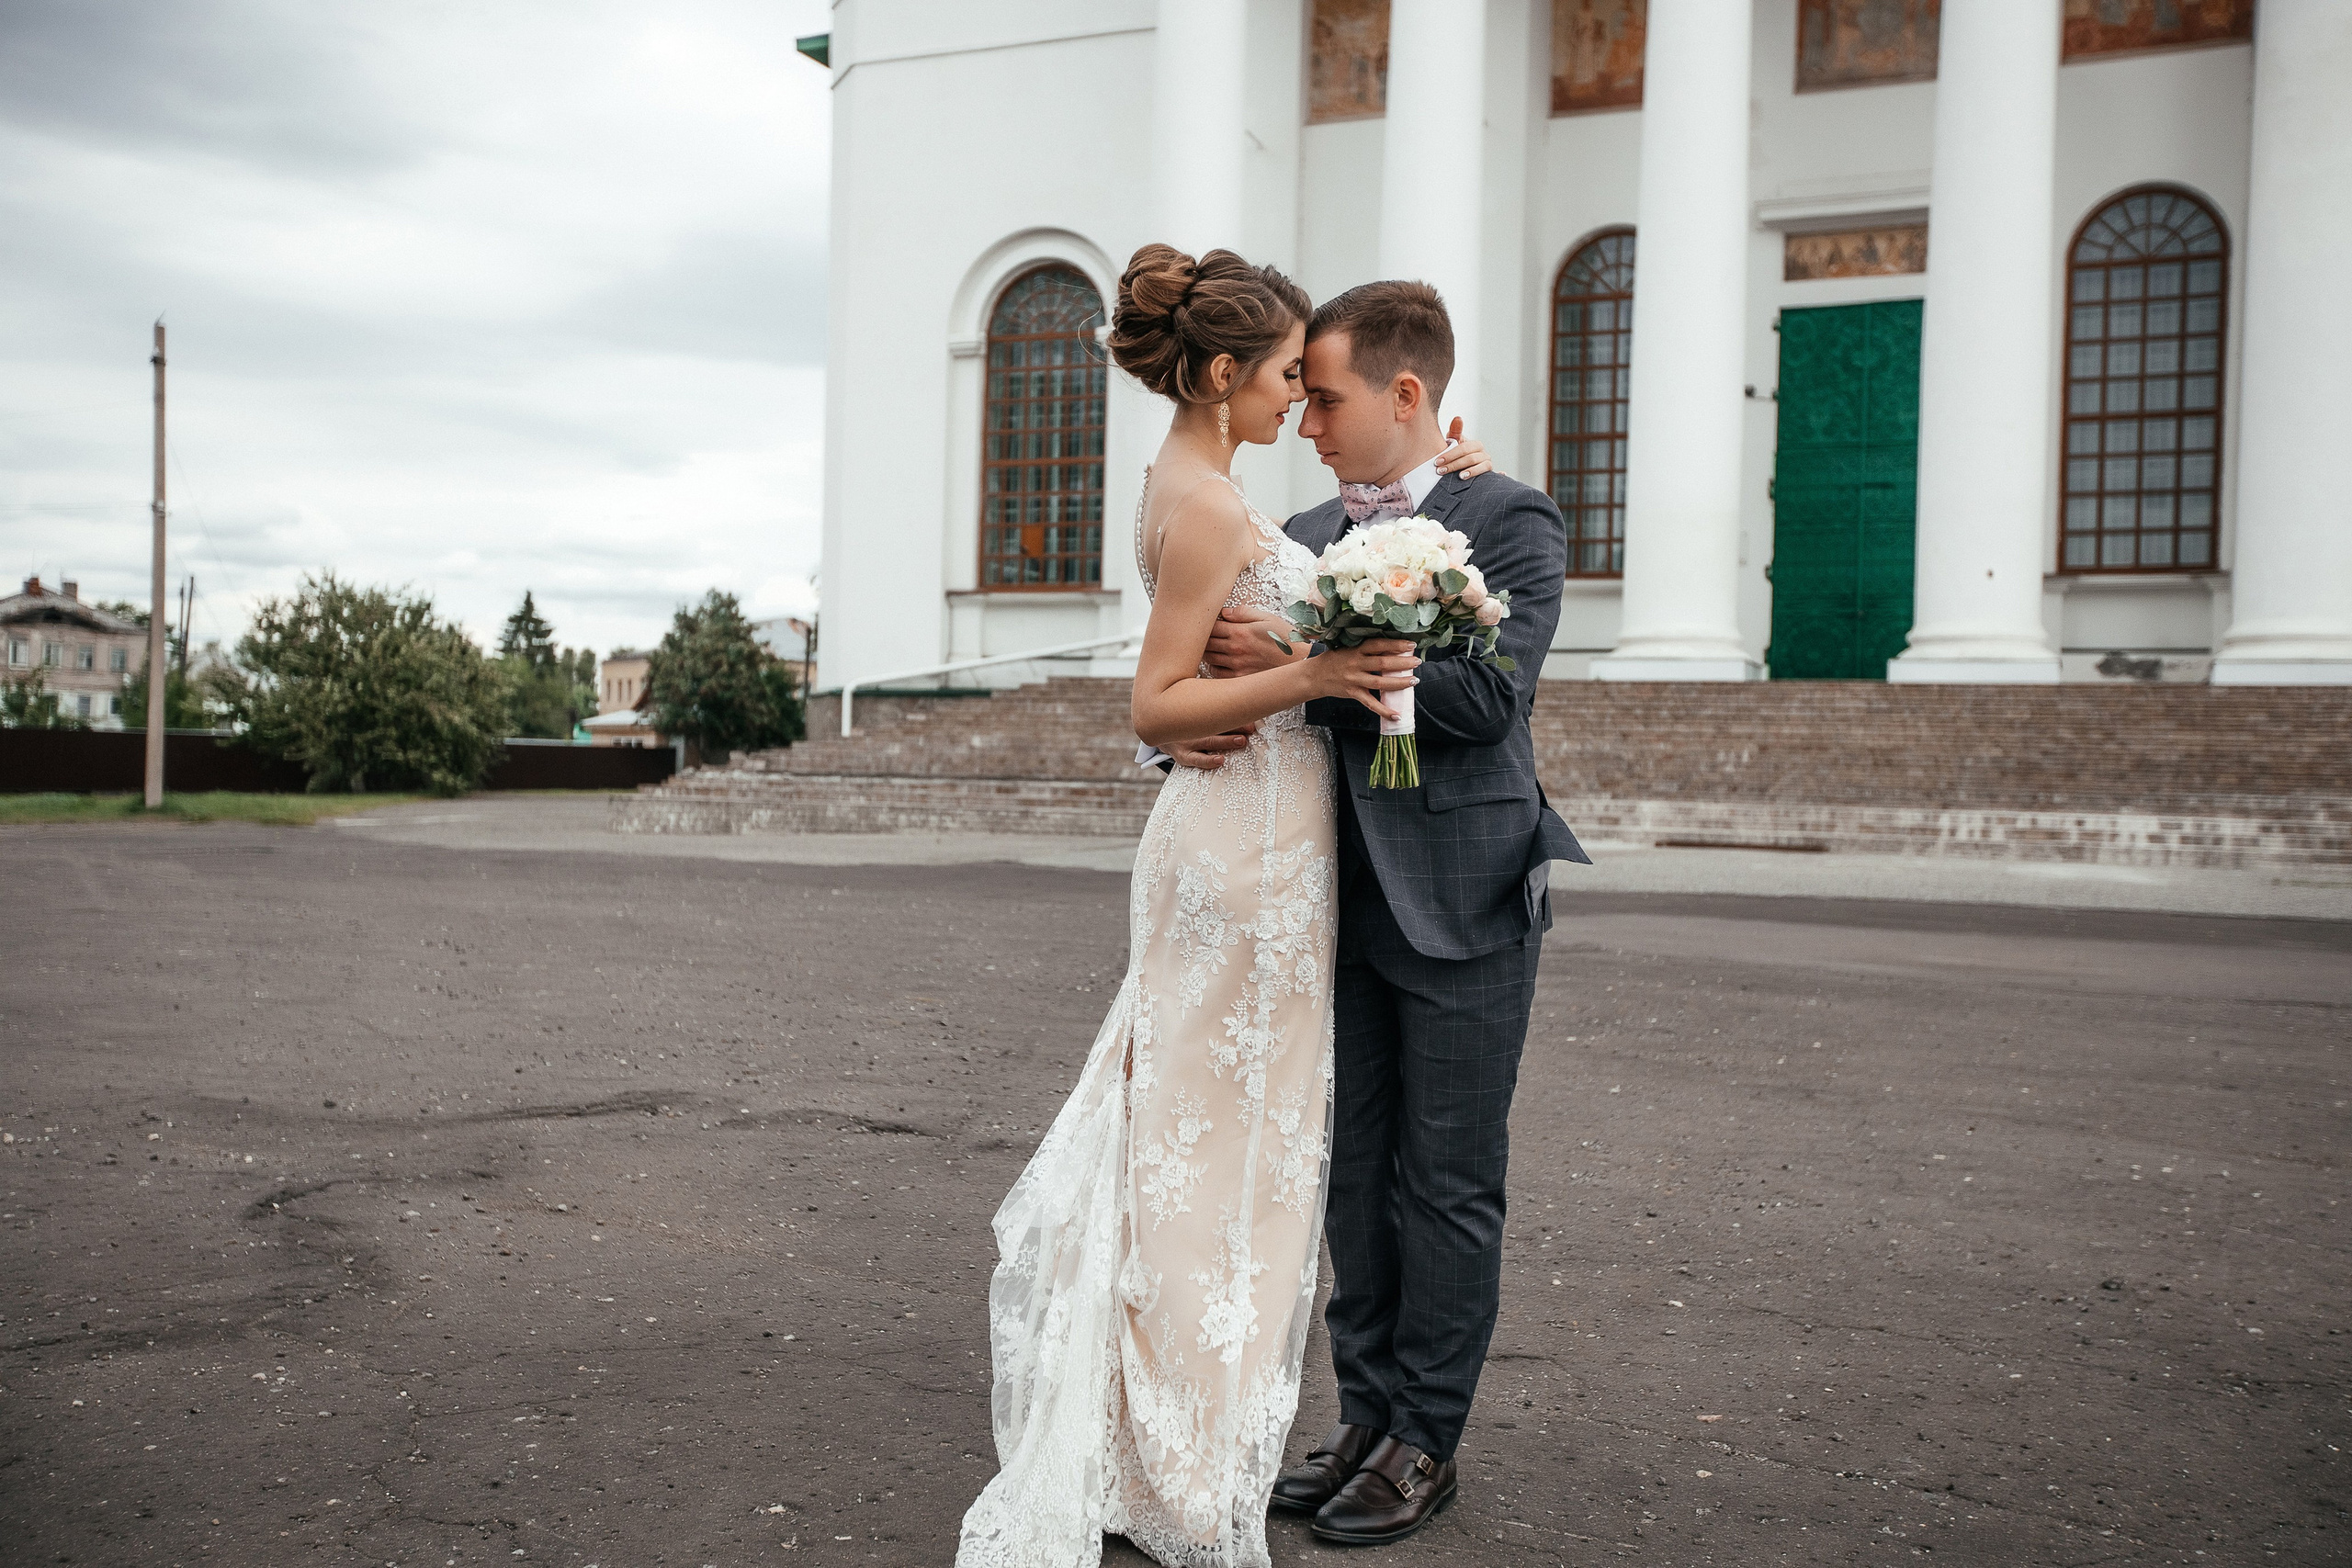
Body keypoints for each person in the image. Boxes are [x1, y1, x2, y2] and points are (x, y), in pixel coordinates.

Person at [954, 245, 1489, 1568]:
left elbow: (1282, 627)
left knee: (1223, 1153)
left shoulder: (1217, 492)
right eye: (1285, 379)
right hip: (1242, 851)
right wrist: (1315, 670)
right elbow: (1155, 703)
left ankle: (1171, 1437)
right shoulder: (1202, 505)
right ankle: (1178, 1458)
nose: (1300, 404)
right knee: (1219, 1160)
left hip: (1267, 842)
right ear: (1217, 375)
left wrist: (1433, 494)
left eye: (1318, 384)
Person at [1171, 279, 1588, 1547]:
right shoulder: (1297, 524)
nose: (1306, 421)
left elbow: (1481, 705)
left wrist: (1306, 652)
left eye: (1328, 397)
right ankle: (1363, 1416)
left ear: (1407, 395)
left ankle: (1426, 1439)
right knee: (1351, 1179)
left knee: (1447, 1183)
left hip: (1466, 899)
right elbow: (1230, 670)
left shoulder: (1511, 519)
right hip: (1330, 897)